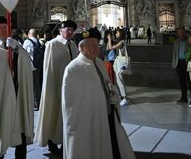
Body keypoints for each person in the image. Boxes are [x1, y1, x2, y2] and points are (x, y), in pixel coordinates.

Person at [62, 27, 136, 159]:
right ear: (80, 48)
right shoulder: (73, 69)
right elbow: (70, 104)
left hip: (107, 114)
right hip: (88, 121)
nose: (94, 48)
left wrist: (113, 94)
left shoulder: (100, 63)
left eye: (96, 44)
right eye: (89, 45)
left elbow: (107, 84)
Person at [0, 16, 33, 159]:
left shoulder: (15, 45)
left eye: (6, 27)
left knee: (19, 129)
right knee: (0, 126)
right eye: (0, 28)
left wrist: (17, 49)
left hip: (17, 93)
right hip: (1, 95)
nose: (4, 30)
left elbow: (27, 64)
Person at [35, 20, 78, 155]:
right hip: (55, 85)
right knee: (54, 113)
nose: (70, 32)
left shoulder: (73, 44)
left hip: (70, 86)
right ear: (61, 30)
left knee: (67, 116)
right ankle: (52, 142)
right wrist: (52, 87)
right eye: (67, 29)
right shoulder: (53, 44)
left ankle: (66, 142)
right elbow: (49, 68)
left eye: (72, 30)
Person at [172, 27, 191, 104]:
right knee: (182, 82)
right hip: (179, 63)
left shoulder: (189, 41)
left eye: (182, 33)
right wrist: (174, 64)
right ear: (178, 34)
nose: (181, 34)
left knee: (190, 82)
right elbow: (174, 54)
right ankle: (184, 97)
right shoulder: (176, 42)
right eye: (180, 33)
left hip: (187, 63)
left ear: (185, 33)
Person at [107, 28, 129, 106]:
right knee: (119, 81)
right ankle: (123, 97)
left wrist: (109, 39)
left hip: (120, 64)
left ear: (120, 34)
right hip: (119, 63)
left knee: (120, 81)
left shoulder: (121, 42)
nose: (116, 34)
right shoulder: (121, 42)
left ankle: (124, 98)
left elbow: (110, 48)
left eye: (117, 33)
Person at [23, 28, 43, 110]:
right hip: (38, 66)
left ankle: (34, 104)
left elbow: (24, 53)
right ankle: (39, 103)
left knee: (31, 86)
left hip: (31, 66)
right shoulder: (39, 41)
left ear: (29, 34)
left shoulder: (27, 42)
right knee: (38, 86)